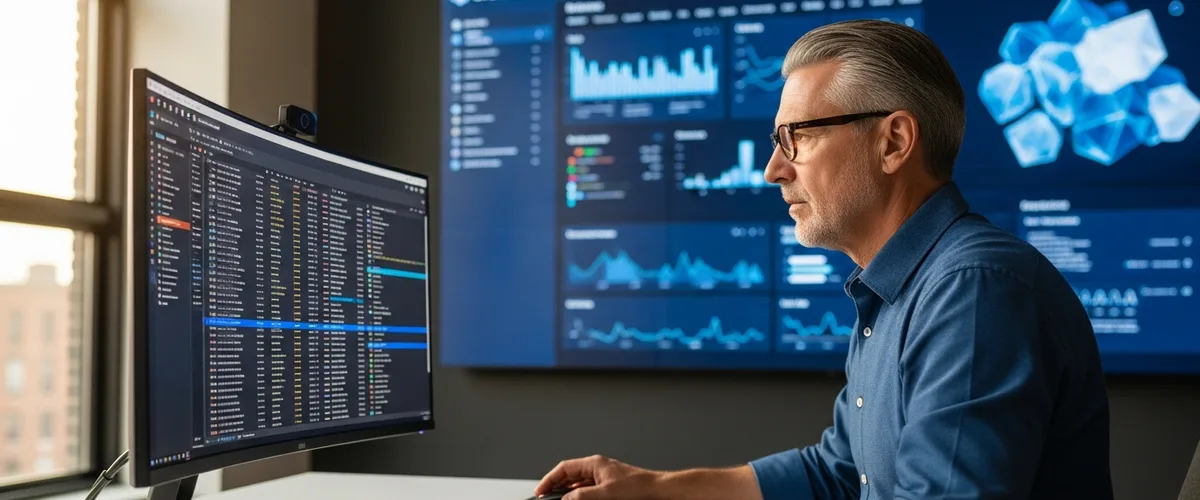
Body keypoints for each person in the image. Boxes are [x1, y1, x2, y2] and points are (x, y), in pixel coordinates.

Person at [533, 19, 1114, 500]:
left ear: (893, 142)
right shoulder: (892, 290)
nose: (773, 170)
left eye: (798, 137)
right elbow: (838, 473)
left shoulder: (972, 291)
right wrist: (652, 488)